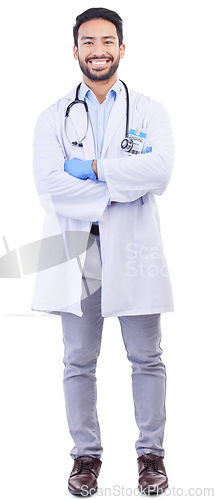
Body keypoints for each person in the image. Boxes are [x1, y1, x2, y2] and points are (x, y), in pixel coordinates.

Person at [32, 7, 175, 496]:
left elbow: (159, 173)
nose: (98, 50)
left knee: (146, 357)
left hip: (134, 249)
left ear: (121, 48)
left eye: (107, 41)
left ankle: (150, 454)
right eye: (88, 42)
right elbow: (49, 187)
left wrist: (91, 168)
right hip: (79, 251)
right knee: (78, 359)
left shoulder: (150, 111)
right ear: (76, 50)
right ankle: (85, 458)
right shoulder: (52, 116)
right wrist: (120, 185)